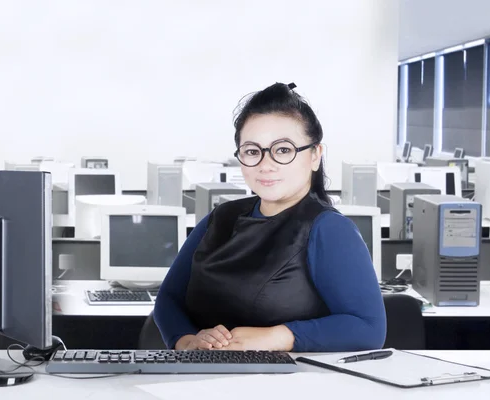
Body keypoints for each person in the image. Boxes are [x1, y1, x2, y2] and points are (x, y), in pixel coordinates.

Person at [154, 82, 386, 352]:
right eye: (252, 151)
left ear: (314, 155)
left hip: (286, 384)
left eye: (283, 150)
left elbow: (368, 328)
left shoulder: (329, 229)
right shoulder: (221, 218)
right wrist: (187, 341)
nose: (266, 164)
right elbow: (169, 299)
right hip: (203, 377)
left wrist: (279, 336)